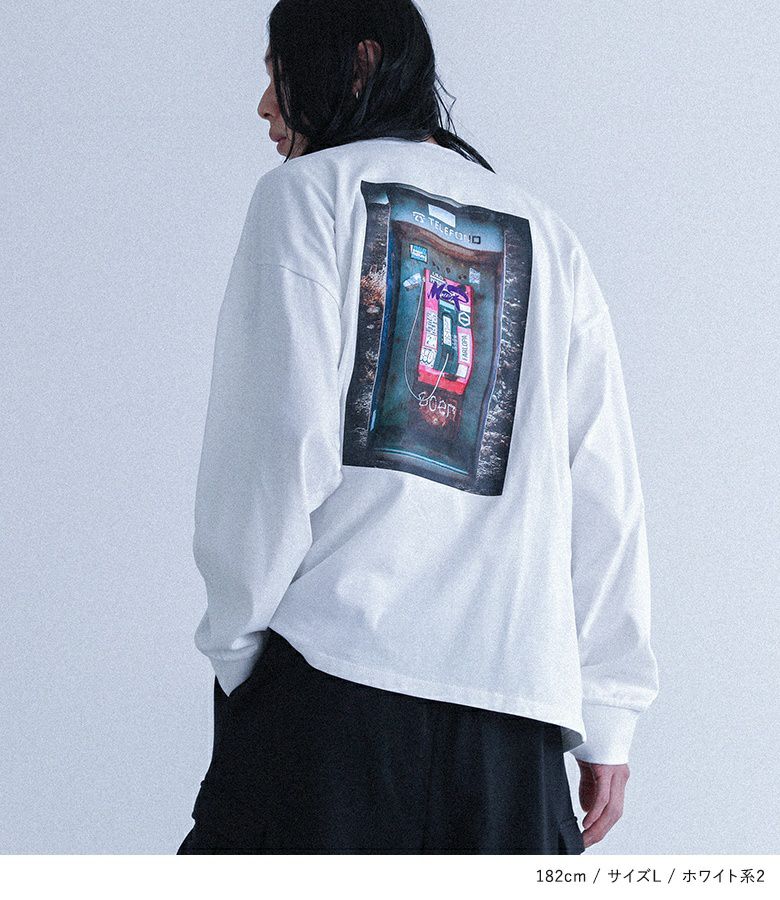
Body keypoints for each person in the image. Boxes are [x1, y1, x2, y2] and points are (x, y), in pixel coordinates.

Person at [177, 0, 659, 855]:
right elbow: (602, 484)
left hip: (331, 693)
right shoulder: (548, 236)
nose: (266, 107)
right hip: (514, 727)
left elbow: (274, 448)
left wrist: (240, 656)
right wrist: (608, 713)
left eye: (279, 74)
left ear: (360, 63)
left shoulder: (307, 195)